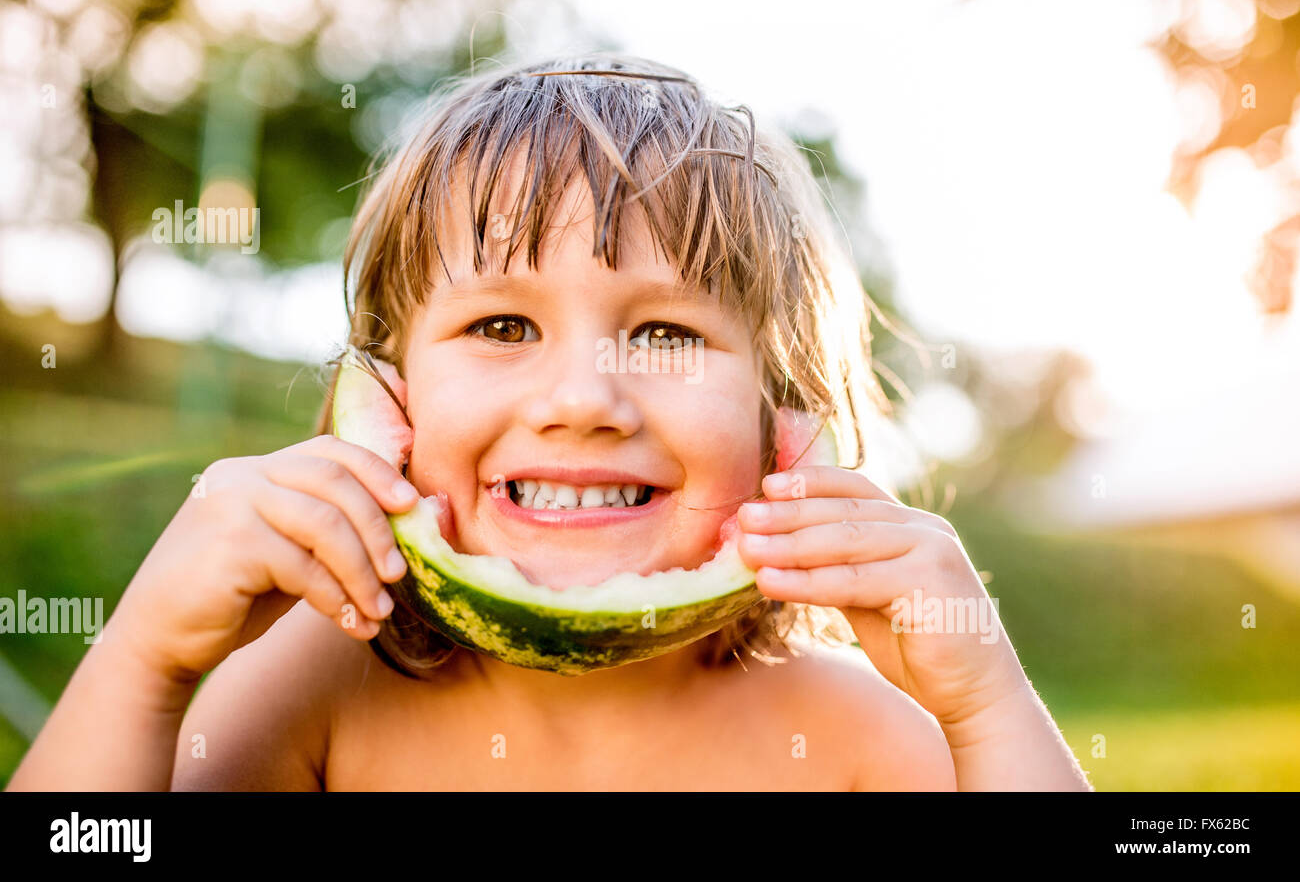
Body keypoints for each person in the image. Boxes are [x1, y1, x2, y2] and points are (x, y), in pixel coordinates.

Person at [8, 53, 1091, 790]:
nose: (581, 400)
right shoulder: (314, 687)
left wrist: (986, 703)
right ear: (386, 403)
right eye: (501, 324)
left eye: (667, 335)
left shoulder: (858, 734)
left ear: (782, 418)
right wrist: (142, 663)